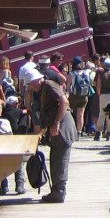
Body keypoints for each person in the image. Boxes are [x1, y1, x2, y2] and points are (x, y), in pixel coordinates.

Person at [37, 68, 76, 203]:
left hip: (62, 127)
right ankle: (57, 191)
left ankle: (59, 192)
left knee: (60, 159)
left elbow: (64, 102)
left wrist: (57, 123)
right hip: (59, 127)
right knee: (56, 158)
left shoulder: (48, 85)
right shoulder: (44, 87)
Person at [0, 96, 27, 196]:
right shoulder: (5, 122)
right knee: (19, 160)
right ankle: (20, 184)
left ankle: (4, 186)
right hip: (7, 150)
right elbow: (10, 136)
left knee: (0, 165)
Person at [95, 58, 110, 142]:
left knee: (102, 113)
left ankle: (98, 133)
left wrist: (100, 95)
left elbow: (98, 86)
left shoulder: (101, 75)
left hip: (103, 95)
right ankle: (109, 133)